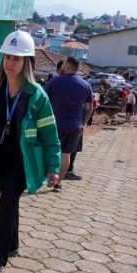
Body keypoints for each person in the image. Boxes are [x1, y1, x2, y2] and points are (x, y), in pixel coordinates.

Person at [0, 31, 60, 273]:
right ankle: (13, 244)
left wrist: (53, 167)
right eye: (7, 57)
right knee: (10, 201)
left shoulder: (37, 95)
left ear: (27, 62)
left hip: (24, 160)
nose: (10, 62)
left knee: (7, 200)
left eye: (16, 58)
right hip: (0, 158)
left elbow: (50, 135)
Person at [45, 56, 94, 186]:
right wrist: (83, 123)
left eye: (63, 64)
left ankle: (48, 178)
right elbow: (89, 107)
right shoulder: (86, 85)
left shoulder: (54, 82)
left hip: (55, 125)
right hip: (75, 126)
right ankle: (58, 183)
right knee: (66, 155)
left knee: (52, 152)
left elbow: (43, 103)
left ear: (66, 66)